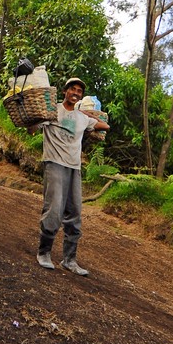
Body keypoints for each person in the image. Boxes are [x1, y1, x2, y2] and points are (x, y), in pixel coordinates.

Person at [31, 77, 110, 276]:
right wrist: (35, 120)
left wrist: (83, 112)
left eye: (79, 91)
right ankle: (44, 252)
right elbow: (32, 129)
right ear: (65, 91)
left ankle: (69, 260)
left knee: (74, 212)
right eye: (72, 89)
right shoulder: (52, 110)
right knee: (54, 209)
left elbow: (105, 126)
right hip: (54, 164)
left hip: (74, 168)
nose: (76, 93)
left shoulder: (83, 118)